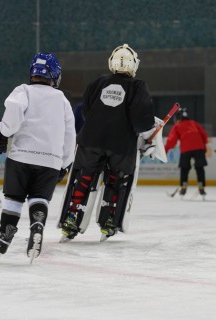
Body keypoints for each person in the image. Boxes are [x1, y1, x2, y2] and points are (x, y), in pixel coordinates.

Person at [58, 43, 156, 242]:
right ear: (133, 64)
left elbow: (86, 110)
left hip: (90, 139)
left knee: (84, 178)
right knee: (116, 180)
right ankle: (109, 219)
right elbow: (143, 121)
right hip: (121, 145)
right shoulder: (138, 86)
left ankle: (72, 217)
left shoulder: (97, 82)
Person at [0, 52, 76, 263]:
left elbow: (13, 116)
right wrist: (64, 163)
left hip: (21, 157)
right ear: (54, 74)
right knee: (39, 198)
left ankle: (4, 237)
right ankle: (37, 226)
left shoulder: (23, 90)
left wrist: (2, 131)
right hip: (51, 160)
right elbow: (70, 134)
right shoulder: (62, 99)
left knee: (14, 198)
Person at [164, 107, 209, 197]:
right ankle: (201, 185)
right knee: (200, 168)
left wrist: (165, 150)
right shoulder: (194, 123)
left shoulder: (177, 126)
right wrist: (204, 147)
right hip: (199, 147)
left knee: (184, 169)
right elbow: (204, 136)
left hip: (186, 149)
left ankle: (183, 185)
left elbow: (171, 141)